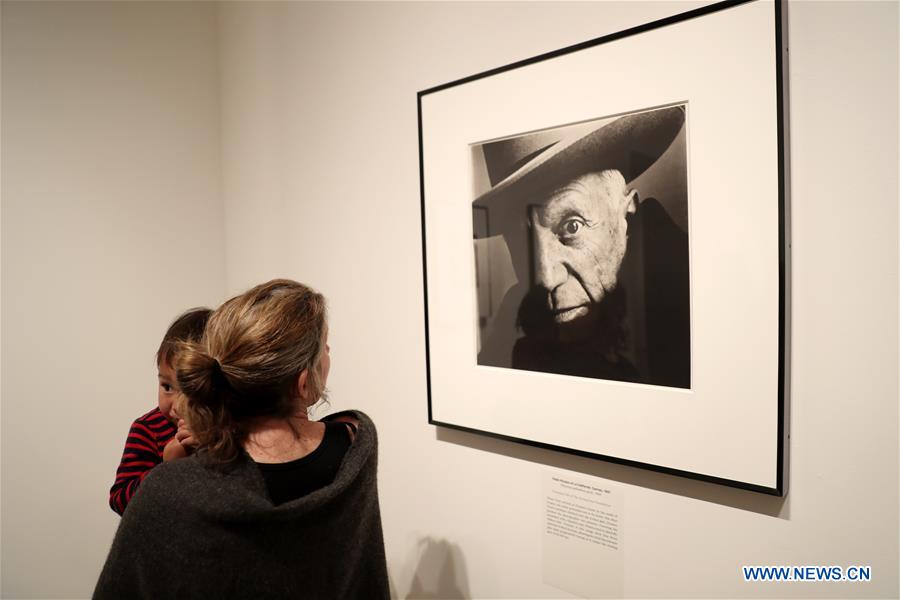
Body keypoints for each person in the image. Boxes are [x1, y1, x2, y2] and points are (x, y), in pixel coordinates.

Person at [94, 279, 389, 599]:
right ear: (303, 384)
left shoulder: (168, 487)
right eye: (325, 349)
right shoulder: (355, 445)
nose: (329, 355)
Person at [474, 105, 691, 388]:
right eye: (521, 240)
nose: (546, 278)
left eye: (572, 226)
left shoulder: (693, 298)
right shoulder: (513, 316)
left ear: (626, 215)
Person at [108, 307, 211, 516]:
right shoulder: (147, 429)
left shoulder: (230, 425)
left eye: (193, 391)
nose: (177, 406)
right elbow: (120, 501)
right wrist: (167, 469)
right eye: (167, 387)